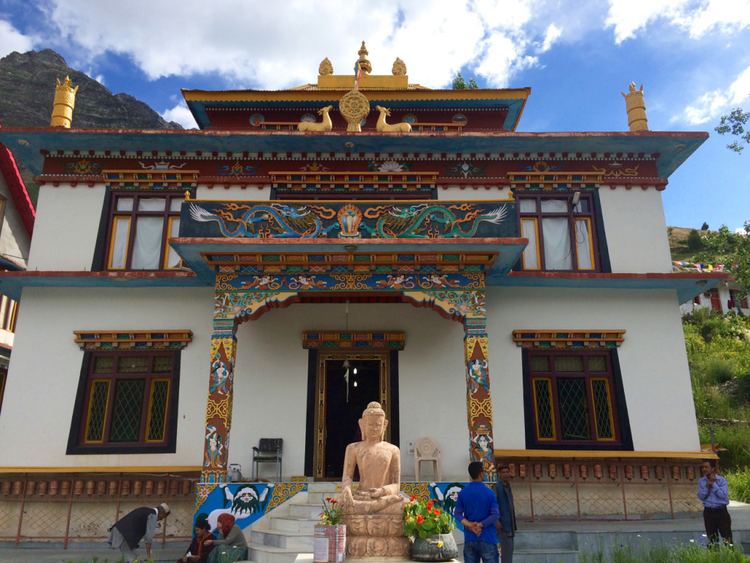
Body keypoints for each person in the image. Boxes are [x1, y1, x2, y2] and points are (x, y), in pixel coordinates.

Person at [340, 401, 404, 514]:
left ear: (384, 425)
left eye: (378, 425)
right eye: (370, 425)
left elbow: (396, 485)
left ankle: (373, 509)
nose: (374, 428)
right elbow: (347, 477)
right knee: (341, 506)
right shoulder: (353, 448)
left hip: (383, 497)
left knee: (402, 506)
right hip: (361, 497)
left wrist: (382, 491)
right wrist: (346, 489)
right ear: (362, 424)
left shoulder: (393, 450)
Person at [454, 461, 499, 563]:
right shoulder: (489, 493)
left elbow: (457, 514)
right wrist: (481, 525)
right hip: (487, 537)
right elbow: (495, 514)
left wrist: (470, 525)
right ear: (481, 473)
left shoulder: (463, 493)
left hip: (470, 538)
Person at [697, 459, 733, 546]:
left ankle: (731, 557)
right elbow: (701, 497)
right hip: (708, 512)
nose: (704, 469)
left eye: (706, 467)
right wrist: (707, 487)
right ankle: (714, 558)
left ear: (712, 468)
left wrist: (713, 484)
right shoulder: (701, 481)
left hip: (721, 512)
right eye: (703, 467)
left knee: (727, 538)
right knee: (712, 539)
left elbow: (723, 496)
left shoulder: (721, 480)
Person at [494, 463, 518, 563]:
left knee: (509, 551)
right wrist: (496, 520)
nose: (506, 474)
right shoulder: (497, 487)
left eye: (507, 472)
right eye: (503, 472)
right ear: (499, 474)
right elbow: (493, 504)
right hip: (503, 525)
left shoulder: (507, 486)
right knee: (506, 553)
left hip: (510, 525)